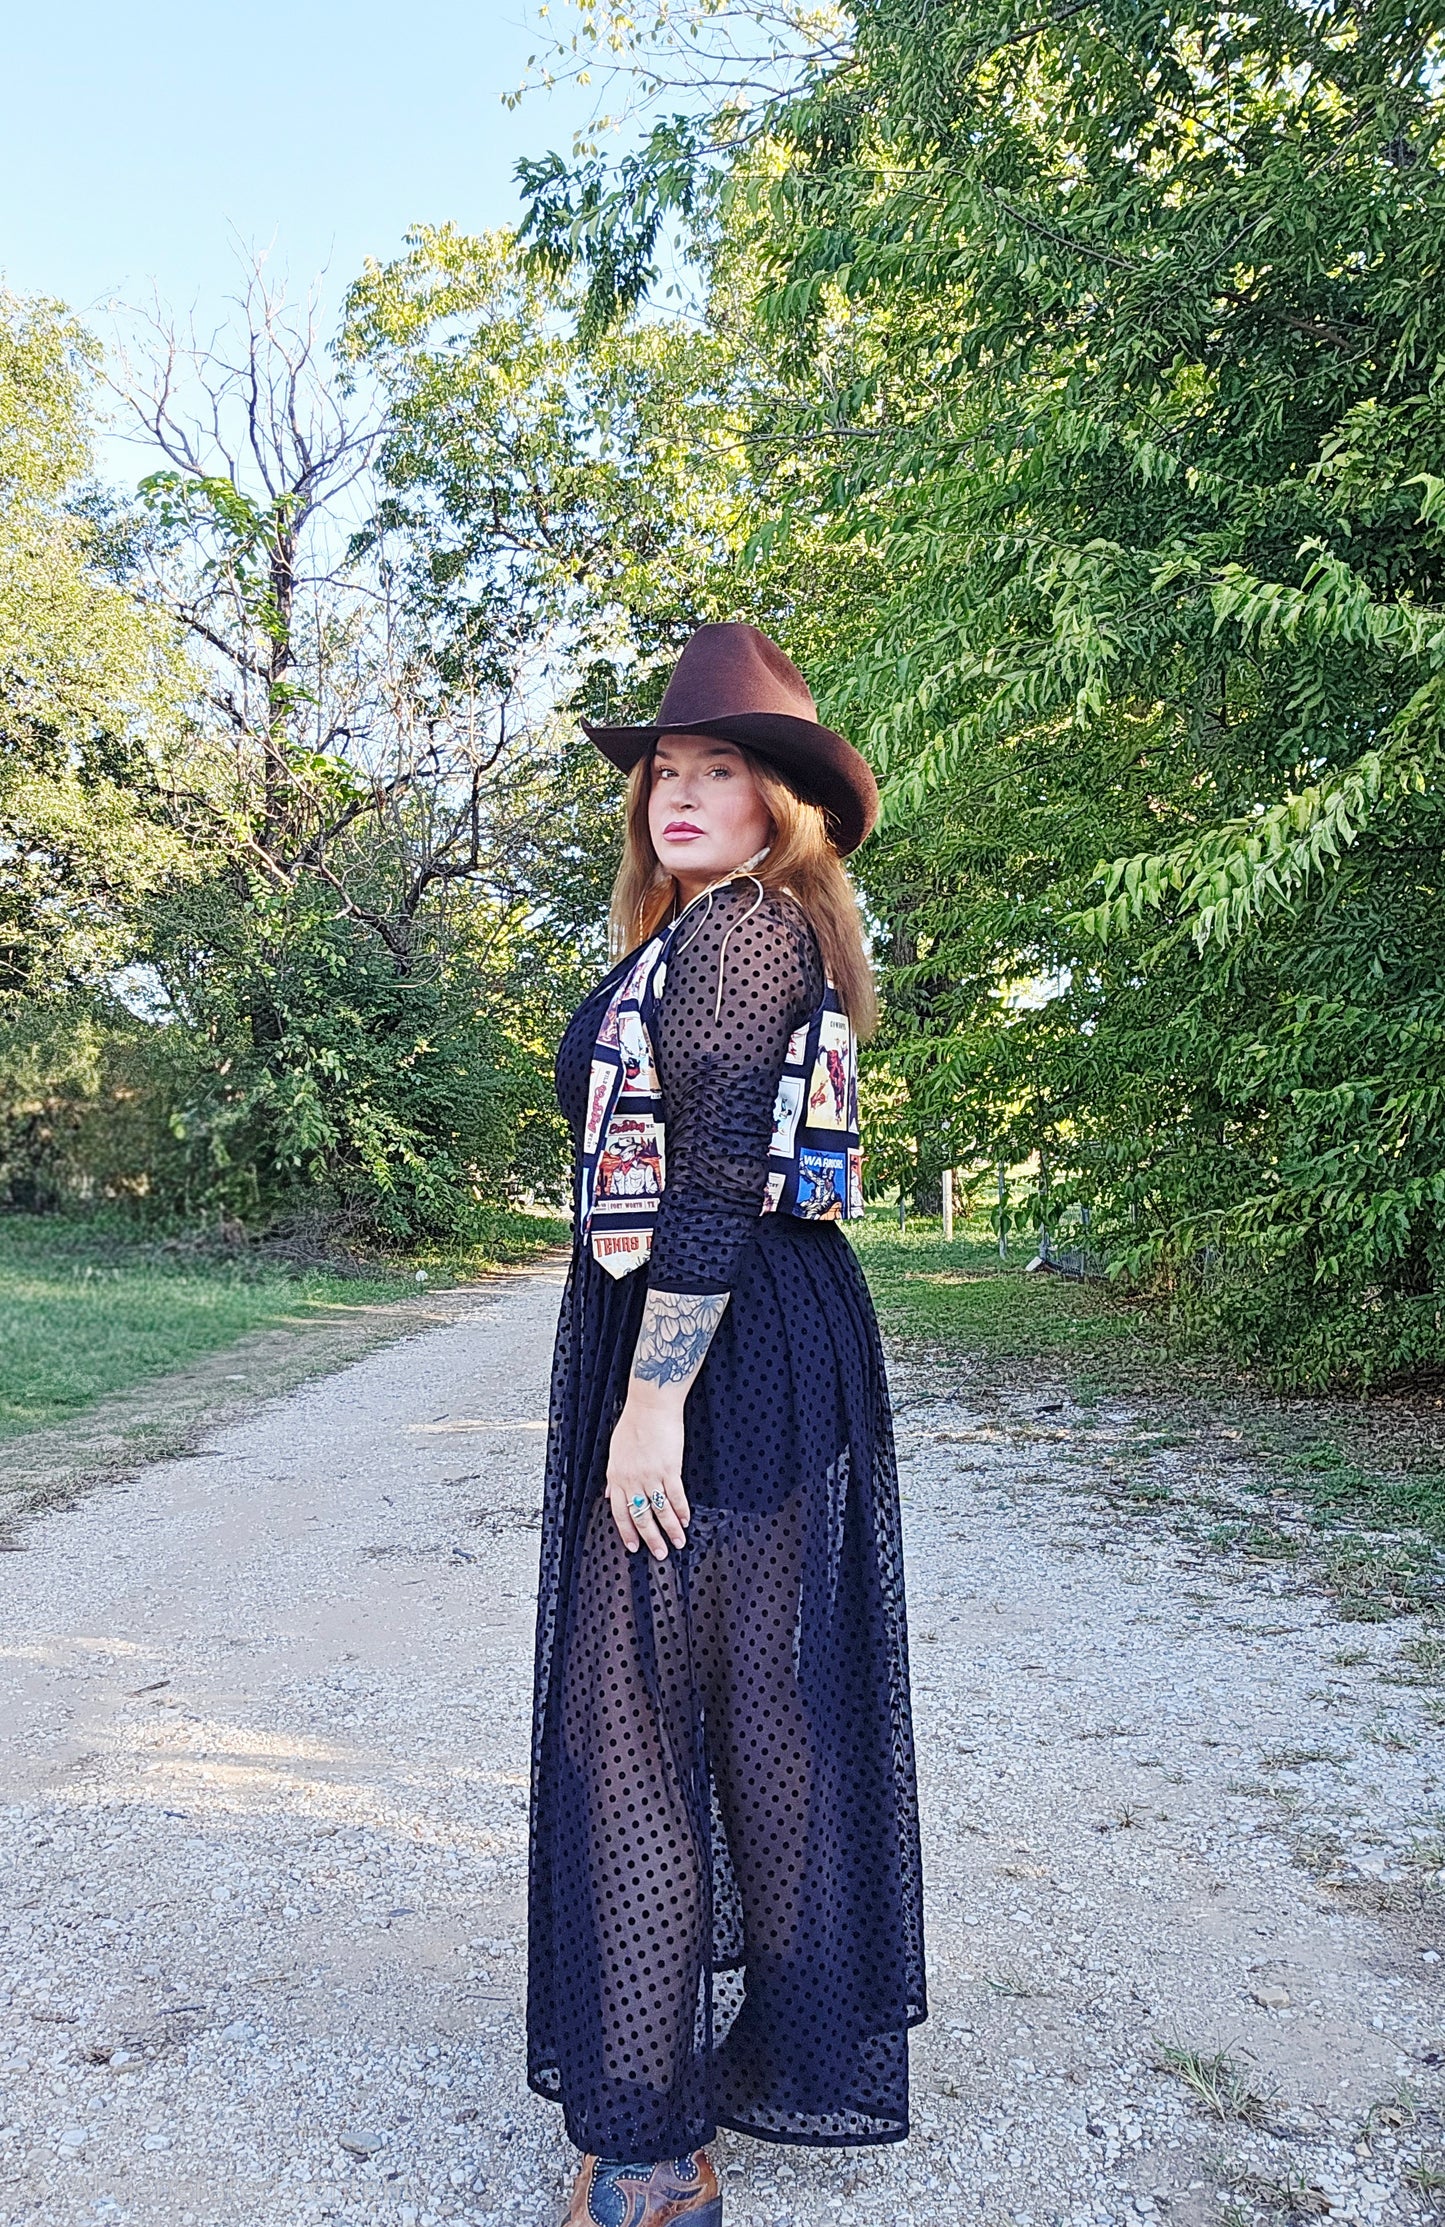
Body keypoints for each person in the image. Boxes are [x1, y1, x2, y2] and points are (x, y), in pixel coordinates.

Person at [528, 624, 926, 2227]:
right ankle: (782, 2042)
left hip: (722, 1344)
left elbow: (703, 1187)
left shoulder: (745, 934)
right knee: (744, 1703)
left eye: (718, 773)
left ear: (783, 807)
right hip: (733, 1332)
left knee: (626, 1720)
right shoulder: (689, 936)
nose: (679, 796)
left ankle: (646, 2136)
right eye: (664, 775)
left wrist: (647, 1411)